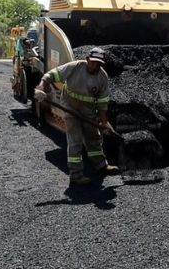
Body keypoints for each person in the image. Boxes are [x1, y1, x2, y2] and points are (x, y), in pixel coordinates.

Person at [34, 47, 120, 185]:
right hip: (70, 107)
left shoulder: (102, 77)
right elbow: (50, 75)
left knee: (94, 138)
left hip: (88, 111)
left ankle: (101, 166)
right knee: (75, 141)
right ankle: (76, 175)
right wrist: (40, 87)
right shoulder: (75, 67)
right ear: (87, 59)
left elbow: (103, 103)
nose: (96, 65)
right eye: (93, 62)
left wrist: (104, 122)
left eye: (99, 63)